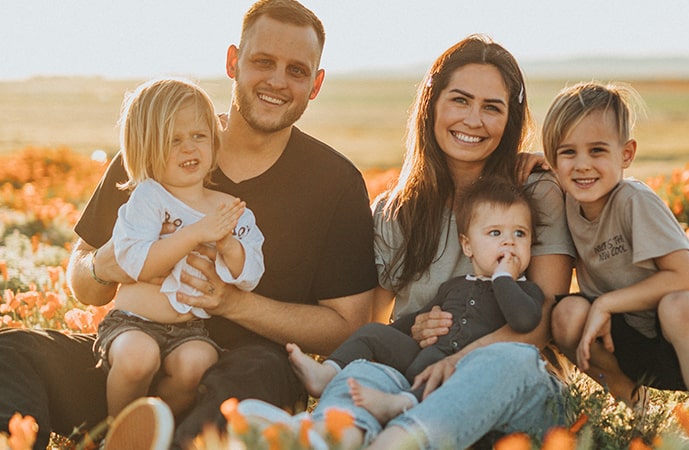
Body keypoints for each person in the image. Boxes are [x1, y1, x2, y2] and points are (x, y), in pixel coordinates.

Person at [0, 1, 377, 448]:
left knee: (258, 372)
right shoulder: (162, 147)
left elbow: (348, 328)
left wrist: (232, 303)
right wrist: (107, 265)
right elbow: (83, 279)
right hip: (131, 358)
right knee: (12, 351)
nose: (277, 80)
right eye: (263, 62)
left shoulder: (334, 183)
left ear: (315, 85)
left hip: (239, 373)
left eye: (296, 70)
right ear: (233, 62)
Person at [268, 35, 573, 450]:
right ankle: (331, 437)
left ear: (511, 120)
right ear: (432, 104)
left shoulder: (535, 193)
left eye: (492, 108)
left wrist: (455, 360)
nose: (473, 120)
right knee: (364, 372)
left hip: (512, 388)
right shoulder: (398, 209)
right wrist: (416, 327)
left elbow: (542, 325)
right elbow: (374, 322)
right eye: (460, 100)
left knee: (507, 360)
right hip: (414, 381)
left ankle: (396, 443)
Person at [544, 81, 689, 425]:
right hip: (628, 344)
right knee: (566, 313)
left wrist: (606, 303)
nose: (582, 165)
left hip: (686, 340)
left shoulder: (634, 201)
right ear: (553, 160)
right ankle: (635, 409)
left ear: (627, 154)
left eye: (598, 151)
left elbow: (685, 278)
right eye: (568, 152)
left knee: (678, 304)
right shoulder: (567, 205)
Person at [287, 177, 545, 424]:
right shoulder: (454, 286)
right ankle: (327, 373)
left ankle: (401, 403)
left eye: (520, 234)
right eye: (495, 233)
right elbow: (416, 319)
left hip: (464, 370)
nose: (509, 242)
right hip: (422, 356)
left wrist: (503, 279)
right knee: (372, 333)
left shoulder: (527, 292)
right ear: (468, 246)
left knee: (444, 376)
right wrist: (395, 334)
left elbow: (523, 320)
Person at [95, 77, 266, 419]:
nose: (189, 149)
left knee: (198, 363)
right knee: (137, 358)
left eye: (198, 137)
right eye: (173, 141)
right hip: (132, 322)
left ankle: (156, 431)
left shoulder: (230, 208)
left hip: (190, 330)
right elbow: (137, 264)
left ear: (214, 142)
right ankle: (116, 434)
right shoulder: (147, 198)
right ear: (146, 148)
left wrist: (227, 245)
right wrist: (195, 233)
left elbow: (250, 275)